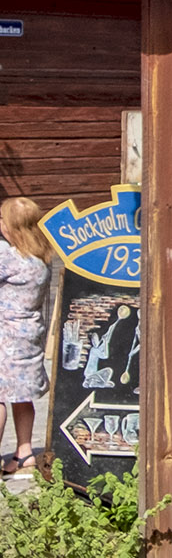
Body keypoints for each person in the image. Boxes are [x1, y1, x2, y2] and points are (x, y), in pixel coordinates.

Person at [0, 199, 55, 474]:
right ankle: (24, 452)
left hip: (5, 336)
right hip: (29, 333)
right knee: (22, 396)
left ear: (12, 227)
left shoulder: (9, 257)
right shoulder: (41, 256)